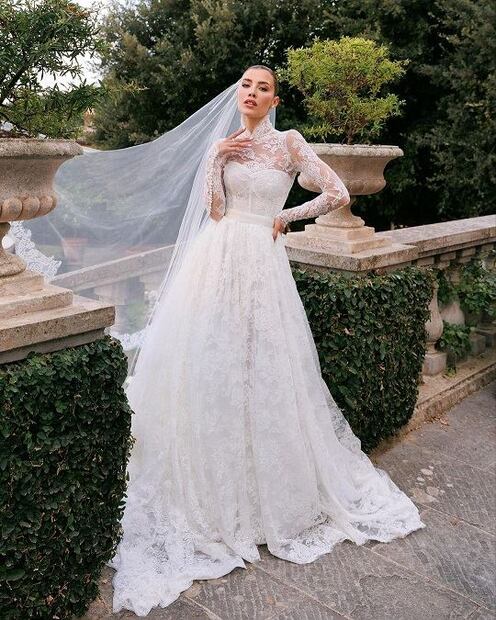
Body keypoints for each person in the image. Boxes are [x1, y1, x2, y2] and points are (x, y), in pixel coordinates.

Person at [109, 65, 426, 616]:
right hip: (216, 258)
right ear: (238, 94)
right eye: (246, 86)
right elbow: (214, 210)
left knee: (264, 363)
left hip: (262, 258)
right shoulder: (226, 142)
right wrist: (215, 159)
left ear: (274, 100)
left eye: (262, 88)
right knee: (210, 360)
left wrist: (286, 217)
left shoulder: (289, 143)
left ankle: (266, 489)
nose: (252, 93)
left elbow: (337, 190)